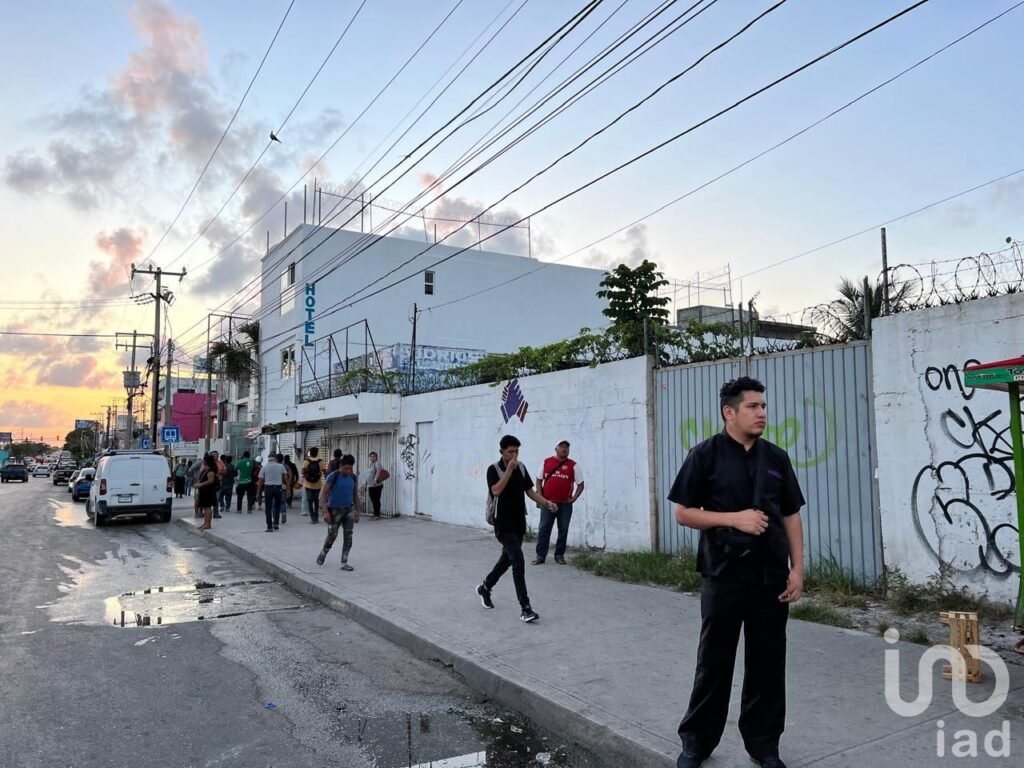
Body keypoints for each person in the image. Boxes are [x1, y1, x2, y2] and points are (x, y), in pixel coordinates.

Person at [670, 377, 805, 768]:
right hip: (723, 575)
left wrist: (797, 570)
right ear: (730, 412)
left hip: (770, 579)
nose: (762, 413)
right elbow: (683, 513)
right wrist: (735, 519)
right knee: (714, 662)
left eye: (763, 406)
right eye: (753, 406)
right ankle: (696, 742)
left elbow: (791, 514)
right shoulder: (705, 455)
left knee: (767, 664)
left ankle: (764, 746)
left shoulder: (777, 458)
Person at [475, 435, 557, 624]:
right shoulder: (493, 469)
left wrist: (546, 503)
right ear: (502, 452)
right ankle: (525, 608)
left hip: (519, 523)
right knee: (518, 560)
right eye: (510, 451)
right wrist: (508, 471)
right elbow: (495, 490)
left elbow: (530, 491)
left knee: (507, 560)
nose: (514, 455)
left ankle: (485, 587)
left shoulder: (521, 468)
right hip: (502, 524)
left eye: (516, 451)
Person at [533, 441, 584, 565]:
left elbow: (581, 485)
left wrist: (574, 499)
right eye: (561, 447)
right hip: (548, 503)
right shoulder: (547, 462)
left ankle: (559, 555)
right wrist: (540, 497)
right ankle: (540, 556)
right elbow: (539, 480)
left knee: (563, 529)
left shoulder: (573, 465)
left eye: (567, 447)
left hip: (565, 504)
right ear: (556, 449)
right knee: (544, 528)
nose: (564, 449)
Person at [316, 454, 360, 571]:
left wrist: (357, 511)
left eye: (350, 468)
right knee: (332, 535)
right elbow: (323, 495)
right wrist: (325, 512)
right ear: (340, 466)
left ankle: (344, 562)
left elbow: (355, 495)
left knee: (348, 536)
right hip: (334, 511)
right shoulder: (333, 476)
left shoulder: (353, 477)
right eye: (346, 468)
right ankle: (324, 552)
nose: (348, 471)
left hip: (348, 510)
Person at [257, 454, 286, 532]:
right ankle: (276, 523)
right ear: (275, 459)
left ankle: (269, 527)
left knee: (268, 508)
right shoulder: (281, 466)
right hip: (278, 488)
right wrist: (288, 489)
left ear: (268, 458)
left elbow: (260, 481)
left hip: (268, 488)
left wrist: (258, 493)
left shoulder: (264, 467)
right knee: (277, 506)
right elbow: (285, 477)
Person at [195, 453, 220, 531]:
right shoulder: (207, 468)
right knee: (205, 507)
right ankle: (205, 522)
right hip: (204, 490)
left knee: (207, 507)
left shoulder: (211, 470)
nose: (203, 461)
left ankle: (208, 523)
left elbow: (210, 481)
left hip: (208, 491)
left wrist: (201, 484)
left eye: (204, 460)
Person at [301, 447, 325, 524]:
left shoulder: (306, 461)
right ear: (317, 453)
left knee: (310, 501)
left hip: (308, 484)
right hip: (317, 484)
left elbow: (302, 471)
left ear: (310, 453)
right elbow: (324, 471)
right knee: (316, 501)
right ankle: (316, 517)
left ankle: (312, 518)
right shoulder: (320, 462)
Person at [366, 451, 388, 519]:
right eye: (371, 456)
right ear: (369, 457)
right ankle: (375, 514)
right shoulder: (370, 464)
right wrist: (366, 482)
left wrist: (375, 480)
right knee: (373, 500)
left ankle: (377, 515)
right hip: (370, 485)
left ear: (376, 457)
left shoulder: (377, 463)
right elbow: (368, 474)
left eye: (374, 456)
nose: (372, 458)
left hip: (376, 485)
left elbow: (378, 471)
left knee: (376, 500)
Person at [276, 453, 290, 524]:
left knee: (275, 502)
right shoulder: (286, 466)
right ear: (282, 459)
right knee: (283, 502)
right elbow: (289, 477)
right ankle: (283, 513)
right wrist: (288, 488)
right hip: (283, 486)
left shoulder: (274, 466)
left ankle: (275, 517)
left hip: (275, 486)